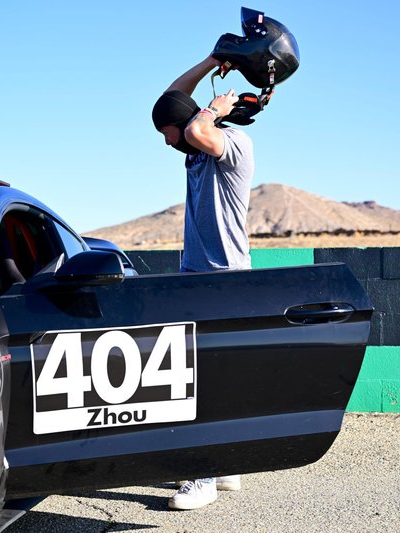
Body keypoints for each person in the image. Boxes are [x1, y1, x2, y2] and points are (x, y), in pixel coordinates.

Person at [151, 54, 258, 509]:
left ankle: (202, 477)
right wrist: (216, 59)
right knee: (210, 377)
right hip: (197, 277)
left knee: (200, 381)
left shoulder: (232, 145)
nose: (166, 142)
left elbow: (193, 125)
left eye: (166, 133)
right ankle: (225, 464)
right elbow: (172, 100)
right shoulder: (196, 150)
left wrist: (214, 106)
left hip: (224, 278)